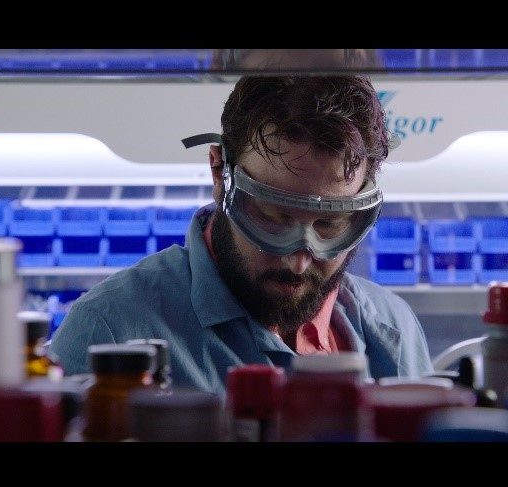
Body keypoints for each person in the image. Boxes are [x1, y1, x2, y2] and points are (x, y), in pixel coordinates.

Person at [49, 75, 433, 396]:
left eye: (330, 226)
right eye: (271, 217)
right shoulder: (109, 330)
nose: (299, 260)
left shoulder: (392, 326)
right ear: (220, 174)